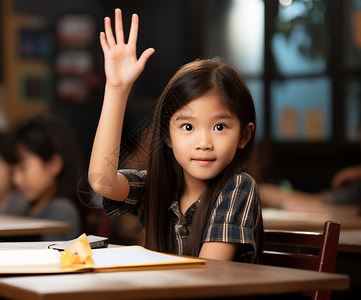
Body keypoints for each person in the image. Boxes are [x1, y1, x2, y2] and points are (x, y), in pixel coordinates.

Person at [88, 9, 262, 262]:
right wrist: (116, 89)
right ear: (166, 136)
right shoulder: (157, 187)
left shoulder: (238, 186)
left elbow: (208, 272)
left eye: (220, 127)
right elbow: (102, 181)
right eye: (188, 127)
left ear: (244, 136)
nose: (204, 144)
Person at [7, 113, 83, 241]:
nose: (16, 180)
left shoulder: (61, 210)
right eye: (12, 171)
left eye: (23, 168)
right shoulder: (29, 208)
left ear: (53, 164)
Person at [259, 164, 361, 216]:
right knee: (263, 191)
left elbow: (355, 211)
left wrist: (296, 207)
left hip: (334, 205)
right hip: (332, 200)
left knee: (264, 192)